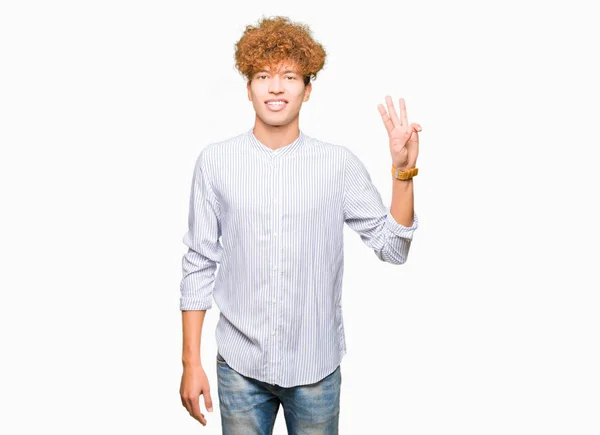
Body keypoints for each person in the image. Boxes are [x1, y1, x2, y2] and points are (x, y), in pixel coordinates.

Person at [179, 15, 421, 434]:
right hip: (239, 367)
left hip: (316, 370)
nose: (276, 87)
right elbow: (199, 263)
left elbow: (393, 248)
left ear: (307, 90)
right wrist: (190, 362)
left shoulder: (338, 165)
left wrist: (402, 172)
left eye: (289, 76)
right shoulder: (215, 163)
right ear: (249, 88)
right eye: (263, 75)